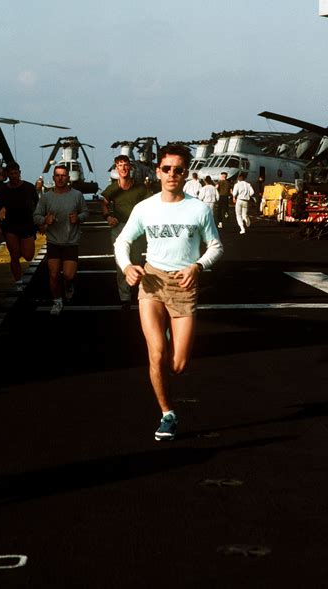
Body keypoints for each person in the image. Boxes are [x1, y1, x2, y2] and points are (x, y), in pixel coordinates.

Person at [114, 143, 223, 441]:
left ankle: (164, 344)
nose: (172, 174)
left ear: (186, 173)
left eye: (178, 169)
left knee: (178, 364)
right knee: (157, 354)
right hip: (152, 282)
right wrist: (127, 267)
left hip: (184, 285)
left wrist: (197, 267)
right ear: (158, 172)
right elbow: (121, 242)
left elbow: (216, 246)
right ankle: (167, 413)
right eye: (166, 169)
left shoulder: (198, 209)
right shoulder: (145, 208)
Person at [34, 164, 88, 315]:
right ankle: (57, 301)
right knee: (53, 274)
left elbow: (85, 212)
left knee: (69, 275)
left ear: (68, 178)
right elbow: (36, 216)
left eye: (63, 175)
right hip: (53, 242)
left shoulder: (77, 195)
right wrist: (45, 219)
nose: (60, 178)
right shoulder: (46, 197)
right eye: (57, 175)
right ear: (53, 178)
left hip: (71, 241)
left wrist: (78, 218)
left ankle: (69, 284)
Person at [101, 155, 149, 309]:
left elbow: (149, 205)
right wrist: (108, 216)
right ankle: (125, 298)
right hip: (119, 227)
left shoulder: (141, 187)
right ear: (116, 169)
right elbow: (104, 203)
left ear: (130, 168)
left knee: (136, 261)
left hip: (137, 229)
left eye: (125, 165)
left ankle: (140, 293)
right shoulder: (112, 188)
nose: (123, 168)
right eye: (119, 165)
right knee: (122, 263)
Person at [0, 161, 39, 292]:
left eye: (16, 173)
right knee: (14, 255)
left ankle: (18, 259)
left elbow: (38, 206)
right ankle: (18, 282)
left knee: (28, 255)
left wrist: (41, 222)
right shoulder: (3, 190)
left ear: (19, 173)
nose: (14, 176)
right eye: (11, 174)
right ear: (8, 174)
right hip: (11, 226)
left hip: (27, 225)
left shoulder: (29, 188)